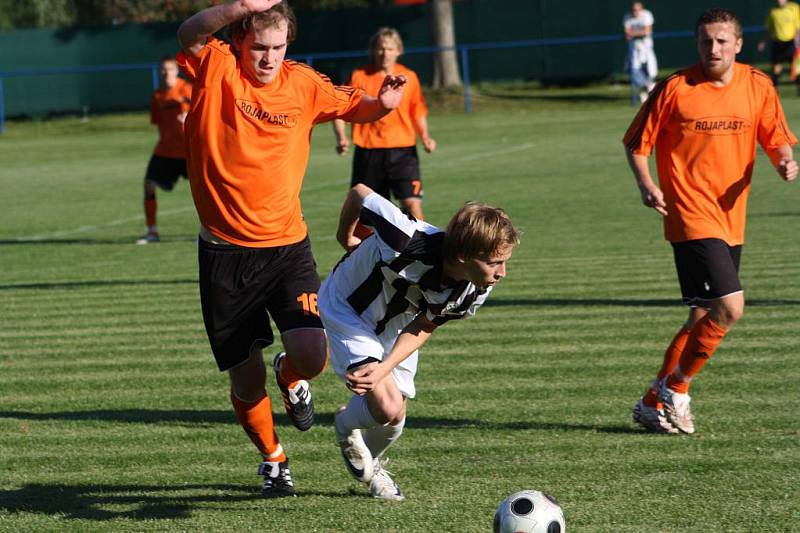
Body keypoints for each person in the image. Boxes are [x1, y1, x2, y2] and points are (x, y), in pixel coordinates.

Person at [176, 0, 406, 497]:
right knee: (245, 377)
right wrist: (240, 5)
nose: (268, 57)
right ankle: (273, 458)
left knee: (312, 355)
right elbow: (190, 32)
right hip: (224, 254)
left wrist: (381, 106)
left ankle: (291, 373)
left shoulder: (302, 83)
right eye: (259, 47)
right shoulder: (217, 66)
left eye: (278, 47)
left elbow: (353, 105)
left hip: (287, 248)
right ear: (239, 40)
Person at [623, 8, 798, 435]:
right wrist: (647, 184)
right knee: (730, 307)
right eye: (706, 41)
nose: (713, 48)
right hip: (688, 213)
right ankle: (677, 389)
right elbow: (636, 143)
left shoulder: (758, 86)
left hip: (730, 216)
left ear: (738, 44)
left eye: (721, 41)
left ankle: (651, 403)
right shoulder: (675, 88)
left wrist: (784, 161)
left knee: (702, 317)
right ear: (697, 43)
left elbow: (775, 138)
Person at [318, 184, 519, 500]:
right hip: (348, 308)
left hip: (398, 325)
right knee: (385, 405)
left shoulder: (473, 289)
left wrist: (386, 366)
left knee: (396, 414)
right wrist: (345, 235)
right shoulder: (405, 237)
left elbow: (425, 323)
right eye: (495, 262)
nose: (502, 273)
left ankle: (375, 465)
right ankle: (345, 425)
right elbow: (359, 193)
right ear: (464, 256)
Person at [333, 27, 435, 222]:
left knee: (412, 203)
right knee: (370, 211)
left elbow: (418, 110)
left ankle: (424, 249)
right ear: (373, 50)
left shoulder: (409, 77)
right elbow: (340, 109)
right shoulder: (359, 76)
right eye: (380, 48)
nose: (385, 54)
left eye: (389, 49)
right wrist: (342, 137)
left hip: (403, 150)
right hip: (369, 151)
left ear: (398, 50)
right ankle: (376, 251)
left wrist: (425, 137)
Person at [136, 55, 192, 245]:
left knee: (205, 192)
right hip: (166, 150)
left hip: (189, 151)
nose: (166, 73)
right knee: (149, 184)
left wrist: (189, 116)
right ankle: (152, 232)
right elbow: (159, 124)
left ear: (177, 71)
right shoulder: (158, 96)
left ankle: (209, 234)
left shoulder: (187, 89)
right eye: (163, 69)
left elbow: (205, 110)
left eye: (169, 69)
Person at [757, 0, 800, 86]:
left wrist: (797, 40)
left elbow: (798, 26)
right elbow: (768, 28)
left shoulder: (794, 8)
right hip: (778, 43)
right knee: (776, 68)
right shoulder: (772, 10)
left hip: (791, 43)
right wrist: (763, 42)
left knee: (796, 68)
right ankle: (774, 91)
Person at [623, 2, 658, 104]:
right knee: (633, 71)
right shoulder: (627, 17)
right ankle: (645, 88)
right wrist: (638, 33)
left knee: (651, 71)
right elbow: (627, 33)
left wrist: (633, 33)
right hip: (633, 50)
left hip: (646, 49)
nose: (635, 12)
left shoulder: (647, 15)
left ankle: (652, 93)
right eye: (633, 10)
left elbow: (647, 31)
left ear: (641, 9)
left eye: (637, 9)